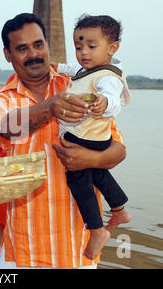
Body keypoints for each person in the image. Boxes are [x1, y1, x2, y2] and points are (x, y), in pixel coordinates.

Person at [0, 13, 127, 269]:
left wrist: (92, 159)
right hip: (23, 251)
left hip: (78, 249)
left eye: (39, 44)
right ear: (8, 54)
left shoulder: (82, 85)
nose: (34, 54)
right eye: (22, 48)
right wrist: (51, 107)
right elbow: (8, 127)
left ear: (48, 45)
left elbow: (117, 150)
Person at [51, 14, 132, 259]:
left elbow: (114, 101)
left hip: (84, 137)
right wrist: (53, 66)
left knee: (77, 180)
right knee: (97, 172)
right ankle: (119, 209)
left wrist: (103, 102)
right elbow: (68, 69)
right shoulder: (85, 68)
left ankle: (96, 230)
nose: (83, 52)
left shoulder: (107, 76)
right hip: (96, 138)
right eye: (78, 46)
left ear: (112, 48)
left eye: (91, 46)